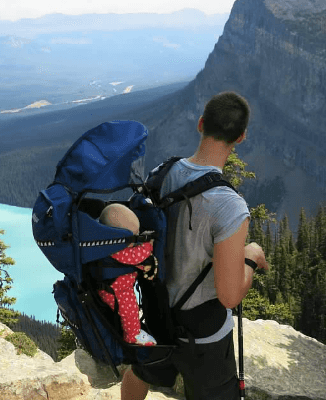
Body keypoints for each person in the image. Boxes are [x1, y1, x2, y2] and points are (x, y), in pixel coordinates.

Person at [121, 91, 269, 400]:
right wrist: (251, 259)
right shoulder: (229, 206)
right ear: (240, 137)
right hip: (203, 336)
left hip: (158, 313)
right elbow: (228, 295)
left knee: (140, 372)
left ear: (201, 124)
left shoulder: (160, 175)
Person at [97, 203, 158, 346]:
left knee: (130, 310)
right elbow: (135, 257)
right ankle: (133, 335)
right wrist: (148, 244)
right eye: (134, 237)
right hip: (117, 291)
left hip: (114, 287)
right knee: (130, 312)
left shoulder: (107, 243)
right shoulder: (115, 249)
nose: (137, 239)